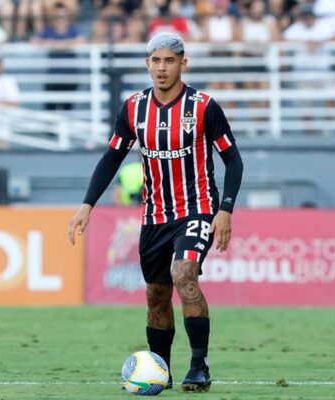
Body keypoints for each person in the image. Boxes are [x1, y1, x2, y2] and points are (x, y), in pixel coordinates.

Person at [67, 32, 243, 392]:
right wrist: (87, 204)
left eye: (169, 60)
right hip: (154, 216)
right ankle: (159, 371)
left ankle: (199, 366)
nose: (162, 68)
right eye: (156, 61)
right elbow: (112, 157)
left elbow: (233, 160)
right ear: (147, 63)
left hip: (198, 209)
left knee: (184, 274)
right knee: (155, 294)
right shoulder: (133, 108)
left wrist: (225, 209)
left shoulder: (204, 107)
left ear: (183, 62)